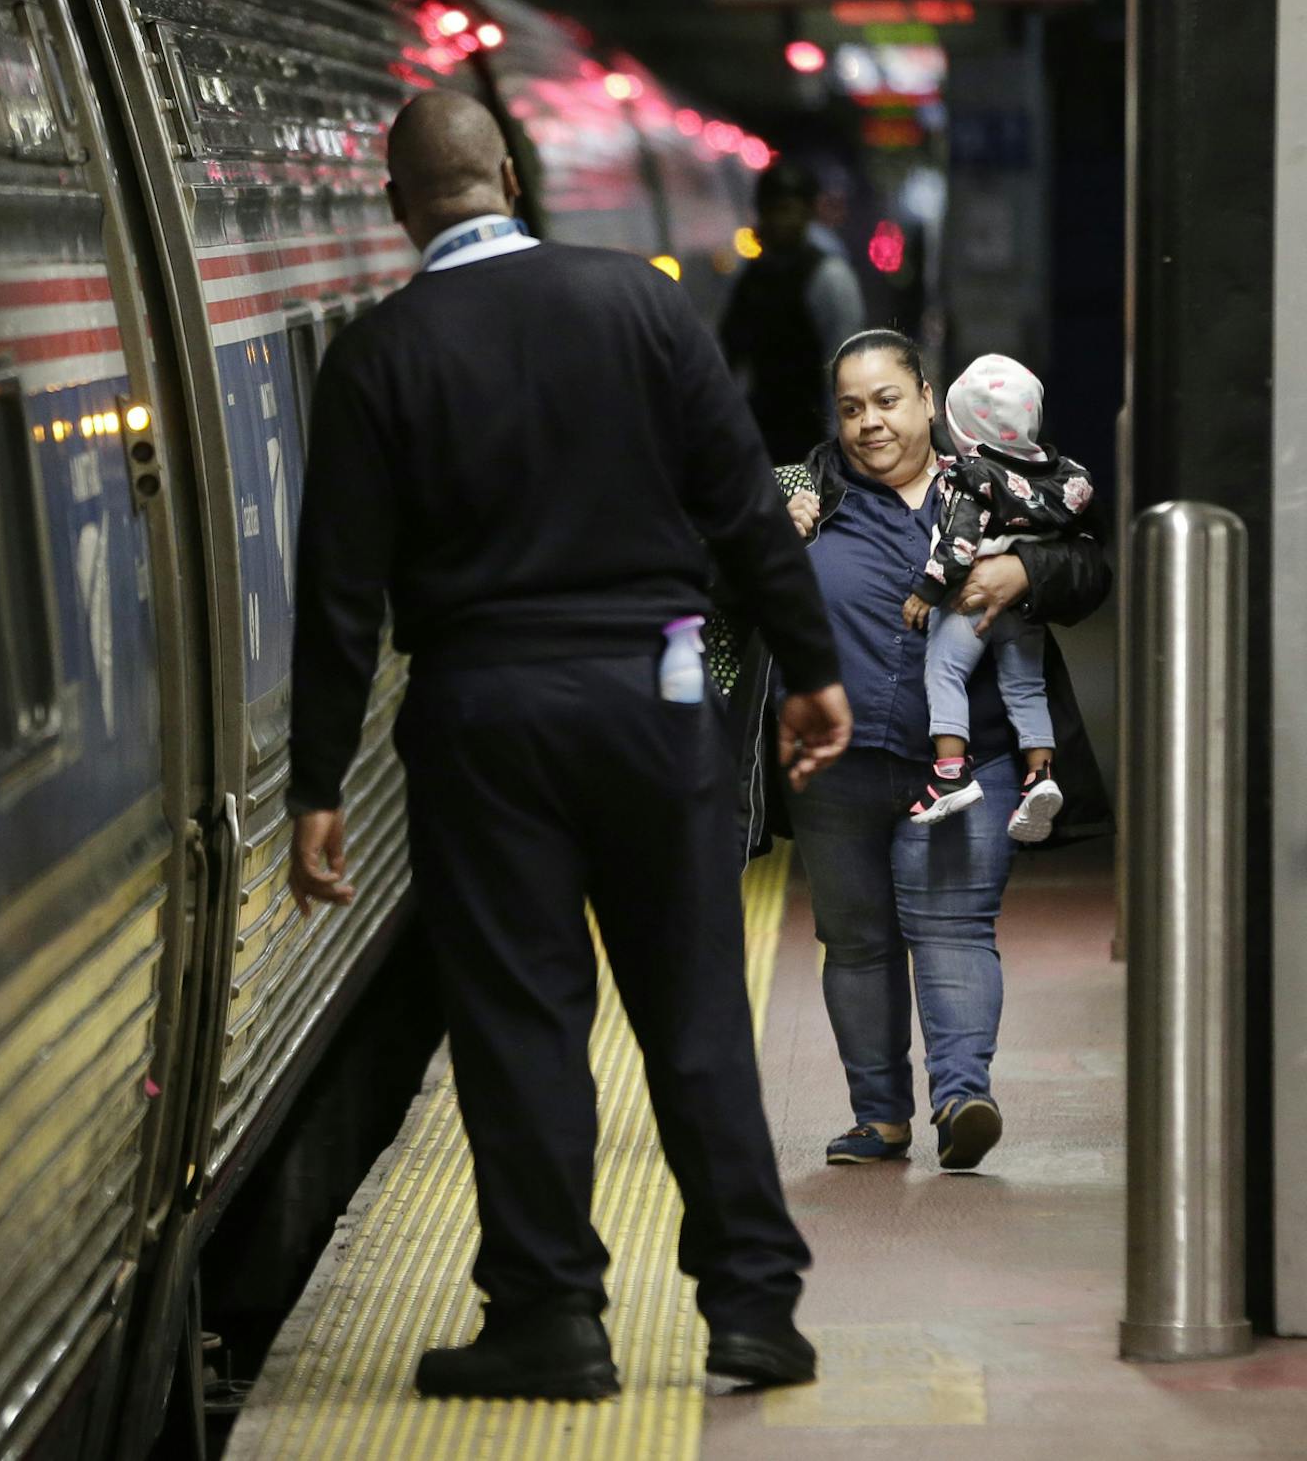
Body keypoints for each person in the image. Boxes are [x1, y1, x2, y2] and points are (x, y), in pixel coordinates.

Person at [285, 90, 853, 1403]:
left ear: (398, 205)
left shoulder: (378, 352)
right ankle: (754, 1306)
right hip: (649, 695)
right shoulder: (642, 306)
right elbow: (744, 500)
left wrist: (317, 782)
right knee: (694, 1002)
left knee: (520, 1018)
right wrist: (811, 670)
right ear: (511, 176)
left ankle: (551, 1317)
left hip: (483, 716)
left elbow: (338, 594)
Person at [733, 329, 1110, 1173]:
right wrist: (762, 528)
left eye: (887, 400)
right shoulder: (804, 491)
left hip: (965, 765)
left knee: (953, 928)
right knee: (857, 939)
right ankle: (880, 1118)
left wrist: (1028, 576)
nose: (870, 422)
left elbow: (1091, 569)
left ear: (928, 399)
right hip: (835, 768)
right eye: (852, 407)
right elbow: (710, 574)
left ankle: (961, 1097)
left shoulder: (993, 477)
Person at [900, 353, 1097, 842]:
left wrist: (929, 590)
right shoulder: (1062, 477)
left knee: (944, 670)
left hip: (969, 606)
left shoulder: (971, 477)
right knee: (1026, 687)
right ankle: (1040, 775)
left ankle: (949, 770)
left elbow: (959, 542)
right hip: (1023, 610)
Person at [719, 162, 867, 465]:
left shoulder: (829, 278)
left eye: (787, 209)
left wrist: (840, 447)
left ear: (808, 213)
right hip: (762, 437)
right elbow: (729, 354)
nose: (777, 221)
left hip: (812, 440)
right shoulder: (751, 278)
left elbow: (845, 365)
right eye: (770, 210)